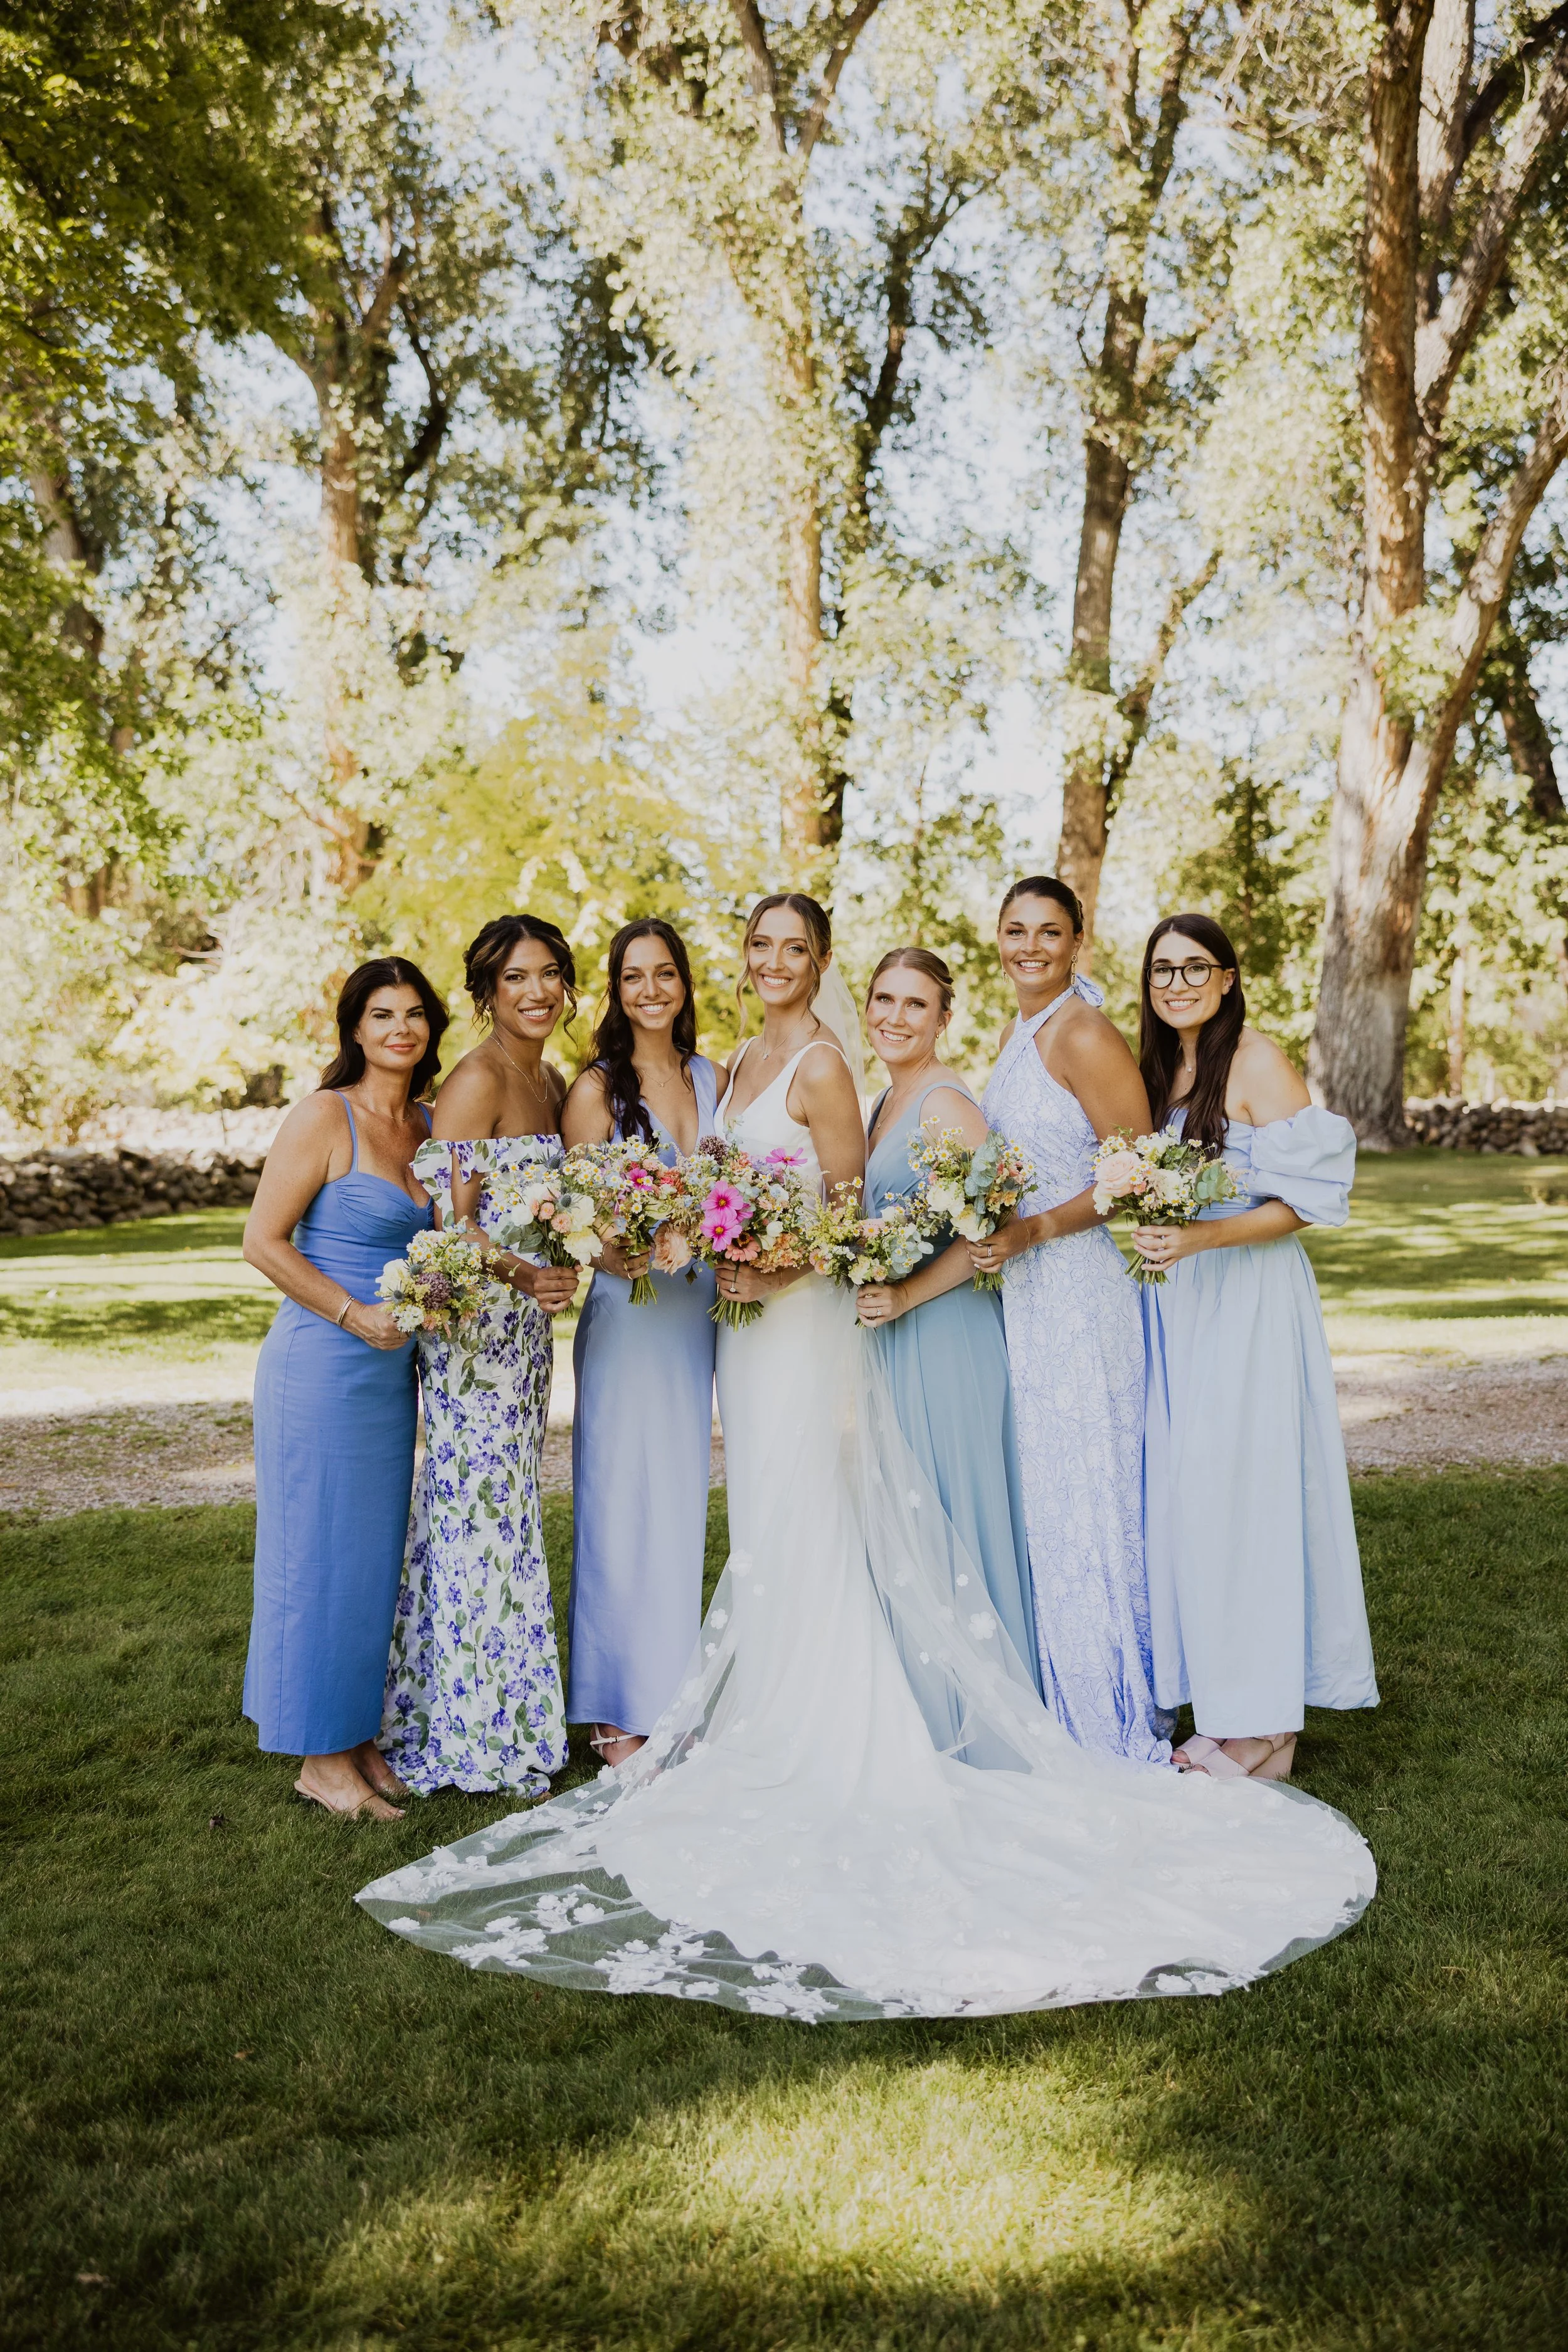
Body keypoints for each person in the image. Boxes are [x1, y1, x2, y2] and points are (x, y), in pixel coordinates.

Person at [359, 895, 1375, 2022]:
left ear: (825, 964)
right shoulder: (736, 1064)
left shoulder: (840, 1069)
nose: (778, 962)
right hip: (738, 1326)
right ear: (743, 963)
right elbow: (727, 1192)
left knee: (804, 1503)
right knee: (770, 1512)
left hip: (794, 1323)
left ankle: (828, 1712)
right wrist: (711, 1242)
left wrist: (789, 1271)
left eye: (800, 949)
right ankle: (776, 1695)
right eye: (761, 947)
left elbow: (845, 1212)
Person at [1131, 913, 1379, 1780]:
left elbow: (1307, 1199)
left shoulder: (1256, 1059)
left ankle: (1265, 1725)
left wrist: (1200, 1239)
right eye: (1162, 971)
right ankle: (1224, 1696)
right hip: (1179, 1309)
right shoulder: (1159, 1067)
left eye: (1195, 967)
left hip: (1248, 1300)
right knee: (1192, 1501)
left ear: (1230, 977)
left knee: (1250, 1496)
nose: (1178, 983)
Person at [242, 958, 447, 1820]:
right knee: (315, 1559)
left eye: (414, 1014)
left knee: (370, 1563)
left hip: (391, 1374)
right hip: (321, 1365)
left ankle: (358, 1733)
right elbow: (263, 1240)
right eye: (382, 1013)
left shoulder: (432, 1126)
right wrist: (353, 1312)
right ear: (356, 1029)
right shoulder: (324, 1115)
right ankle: (318, 1760)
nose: (400, 1028)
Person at [380, 915, 579, 1799]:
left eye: (550, 975)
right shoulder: (475, 1081)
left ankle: (482, 1703)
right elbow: (449, 1226)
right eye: (516, 979)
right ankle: (471, 1723)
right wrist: (523, 1269)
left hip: (527, 1329)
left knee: (502, 1510)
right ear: (486, 994)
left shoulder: (549, 1076)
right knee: (475, 1515)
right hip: (475, 1334)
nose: (536, 992)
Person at [974, 876, 1168, 1761]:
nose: (1030, 946)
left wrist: (1039, 1226)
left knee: (1090, 1481)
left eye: (1049, 932)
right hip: (1030, 1285)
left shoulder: (1084, 1030)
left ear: (1078, 939)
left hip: (1082, 1285)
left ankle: (1113, 1705)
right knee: (1051, 1489)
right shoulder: (1023, 1031)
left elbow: (1133, 1169)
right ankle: (1062, 1689)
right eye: (1016, 930)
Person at [854, 946, 1041, 1693]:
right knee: (911, 1518)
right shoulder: (884, 1103)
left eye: (914, 1005)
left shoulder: (946, 1105)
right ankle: (920, 1701)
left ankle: (982, 1707)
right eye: (884, 1000)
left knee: (953, 1514)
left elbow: (992, 1235)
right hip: (899, 1338)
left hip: (948, 1335)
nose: (895, 1017)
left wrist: (902, 1295)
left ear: (943, 1018)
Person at [561, 918, 719, 1768]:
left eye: (665, 974)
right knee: (621, 1502)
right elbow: (580, 1226)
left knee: (679, 1505)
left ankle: (670, 1693)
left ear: (684, 984)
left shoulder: (711, 1075)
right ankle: (615, 1711)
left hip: (698, 1319)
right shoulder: (597, 1090)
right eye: (634, 976)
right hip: (631, 1311)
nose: (651, 989)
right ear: (617, 989)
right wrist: (637, 1247)